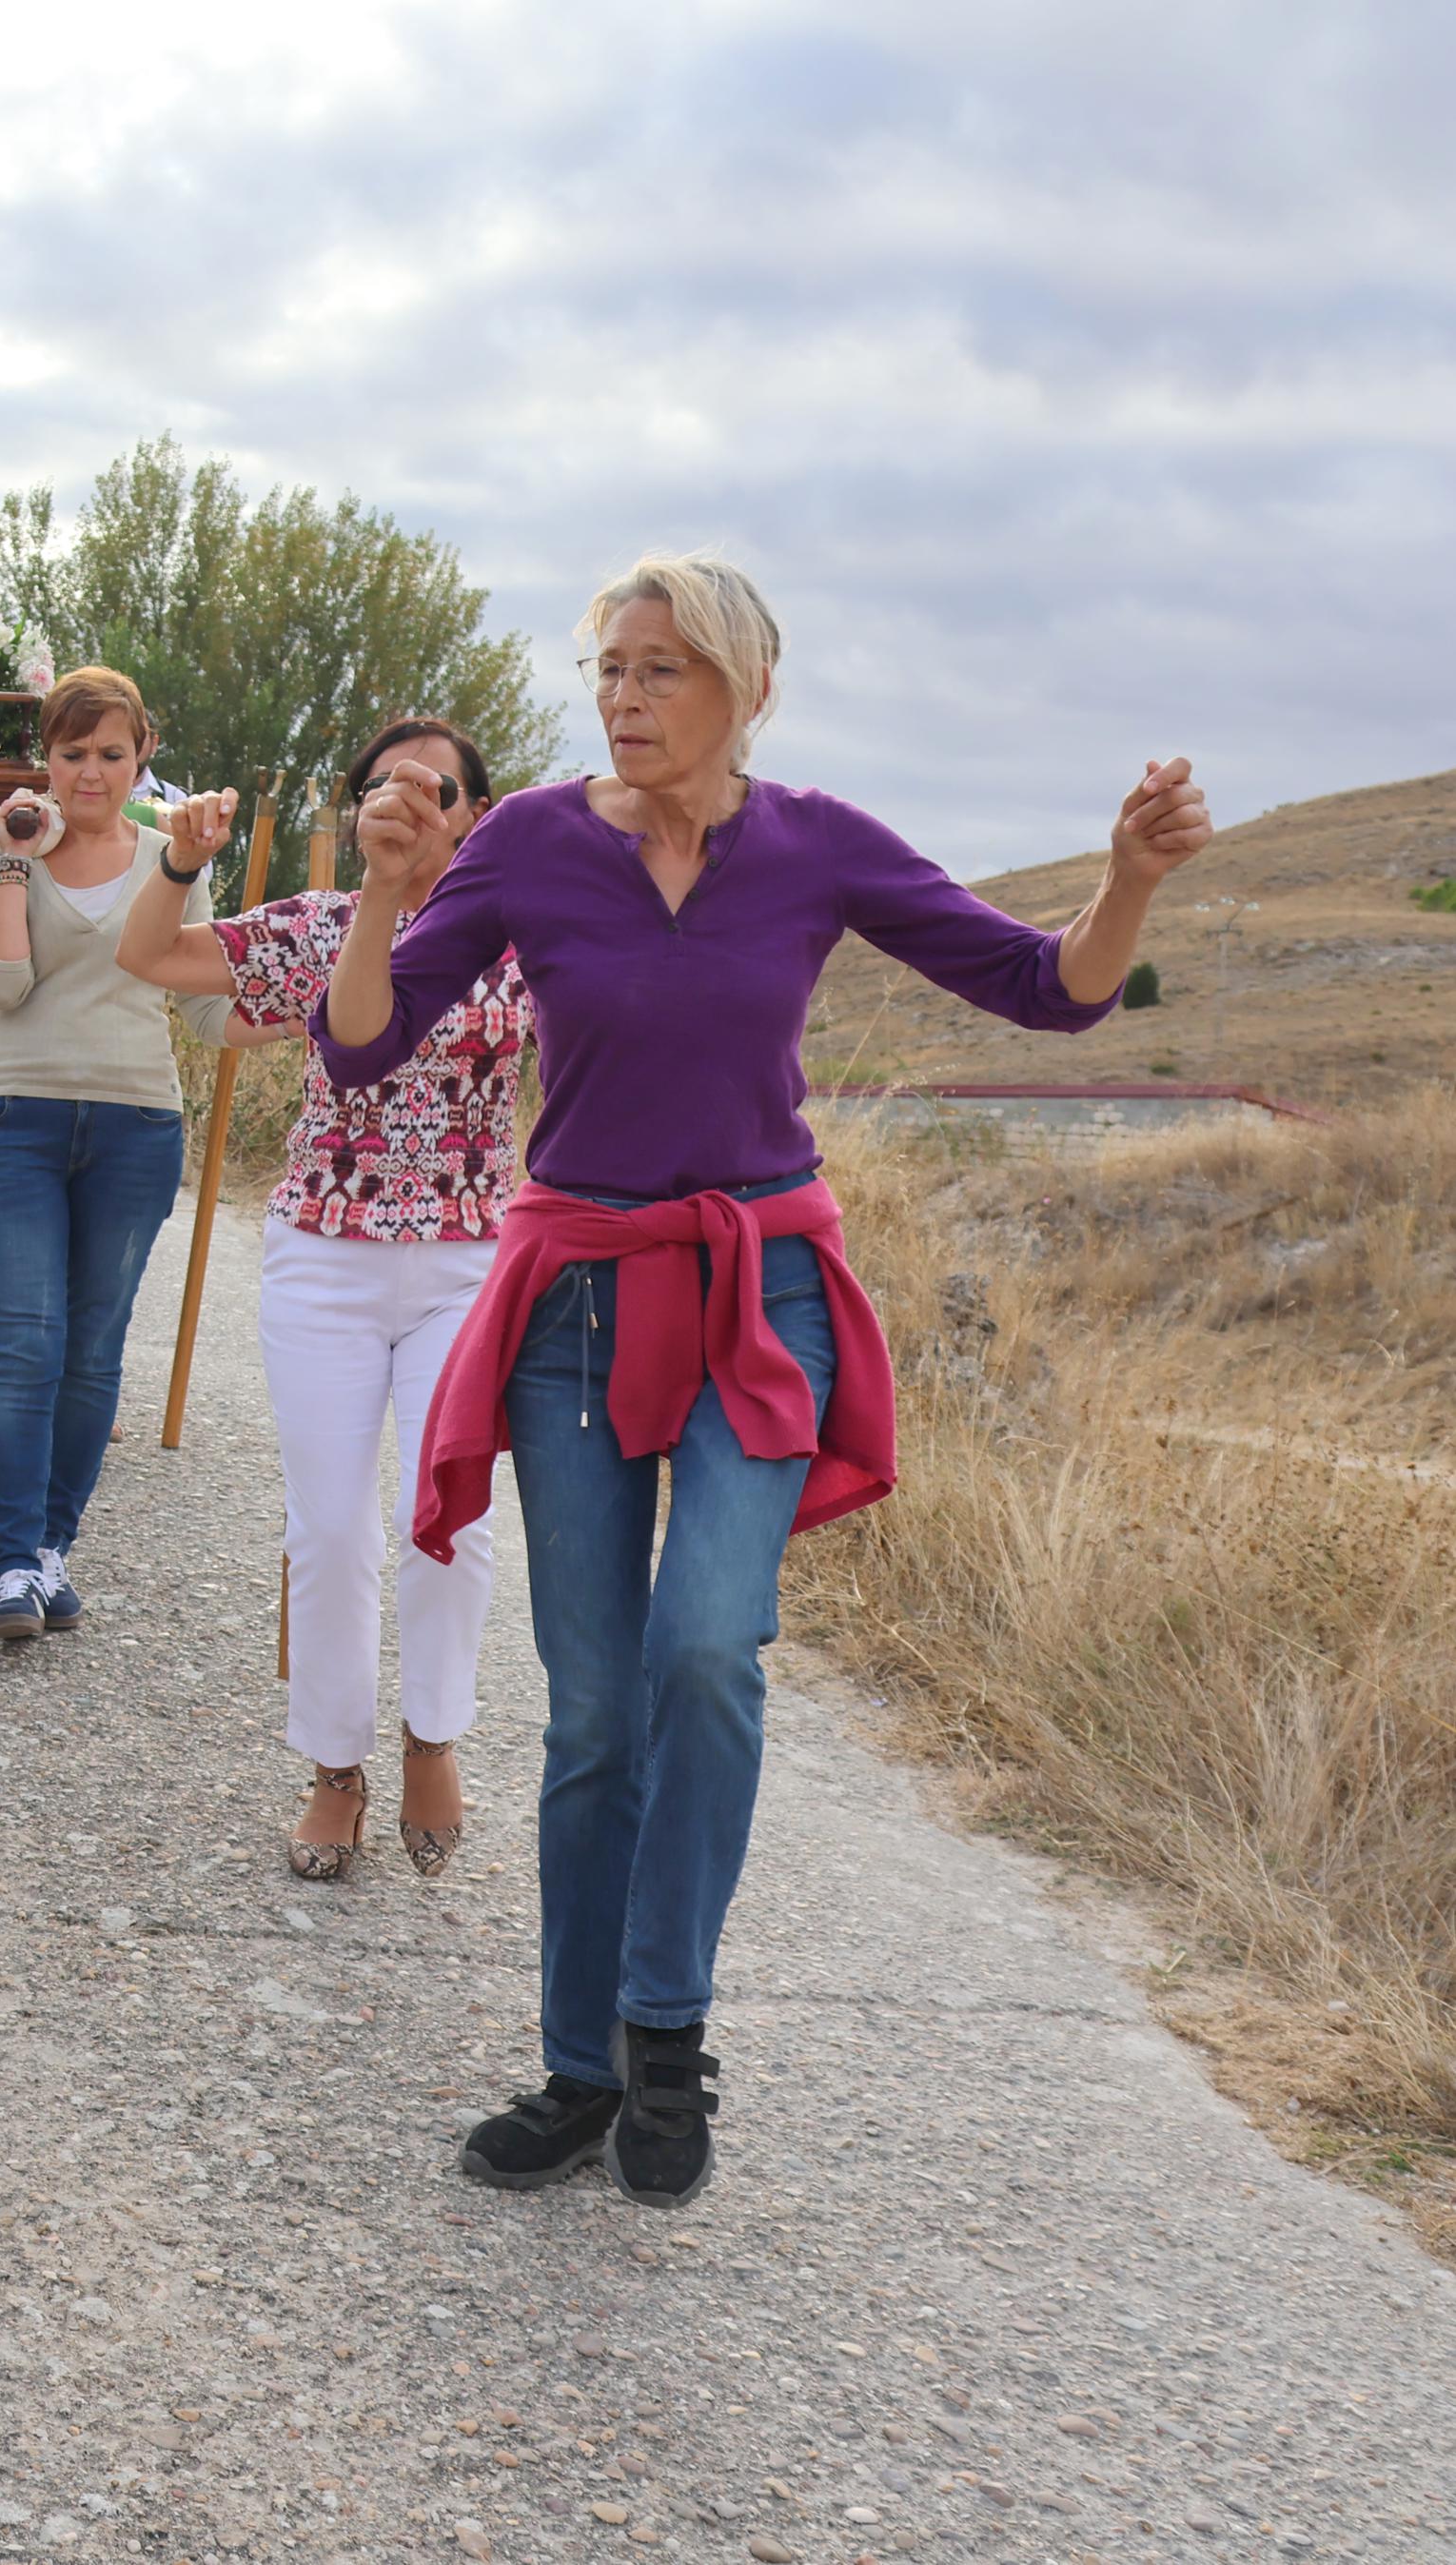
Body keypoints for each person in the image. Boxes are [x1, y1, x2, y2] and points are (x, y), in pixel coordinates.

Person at [327, 550, 1212, 2209]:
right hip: (579, 1302)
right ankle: (578, 2071)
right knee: (591, 1714)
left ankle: (664, 2032)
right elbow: (362, 1045)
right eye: (607, 669)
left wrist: (1124, 881)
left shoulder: (812, 844)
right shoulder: (523, 839)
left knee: (703, 1655)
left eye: (658, 670)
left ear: (739, 685)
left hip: (756, 1299)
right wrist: (380, 889)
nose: (622, 697)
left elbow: (1049, 992)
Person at [114, 716, 530, 1883]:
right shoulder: (316, 928)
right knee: (332, 1524)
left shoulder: (525, 942)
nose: (409, 802)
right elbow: (150, 956)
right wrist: (180, 858)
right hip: (324, 1258)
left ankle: (432, 1738)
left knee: (444, 1515)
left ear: (472, 815)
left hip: (463, 1259)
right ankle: (333, 1768)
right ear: (355, 812)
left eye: (436, 787)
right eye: (384, 785)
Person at [0, 667, 233, 1642]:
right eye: (71, 753)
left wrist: (325, 1015)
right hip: (13, 1118)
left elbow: (205, 1010)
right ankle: (8, 1563)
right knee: (26, 1338)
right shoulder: (4, 844)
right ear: (46, 756)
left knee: (92, 1347)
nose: (89, 772)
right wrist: (12, 862)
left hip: (133, 1124)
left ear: (140, 753)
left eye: (109, 753)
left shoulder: (176, 856)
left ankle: (48, 1553)